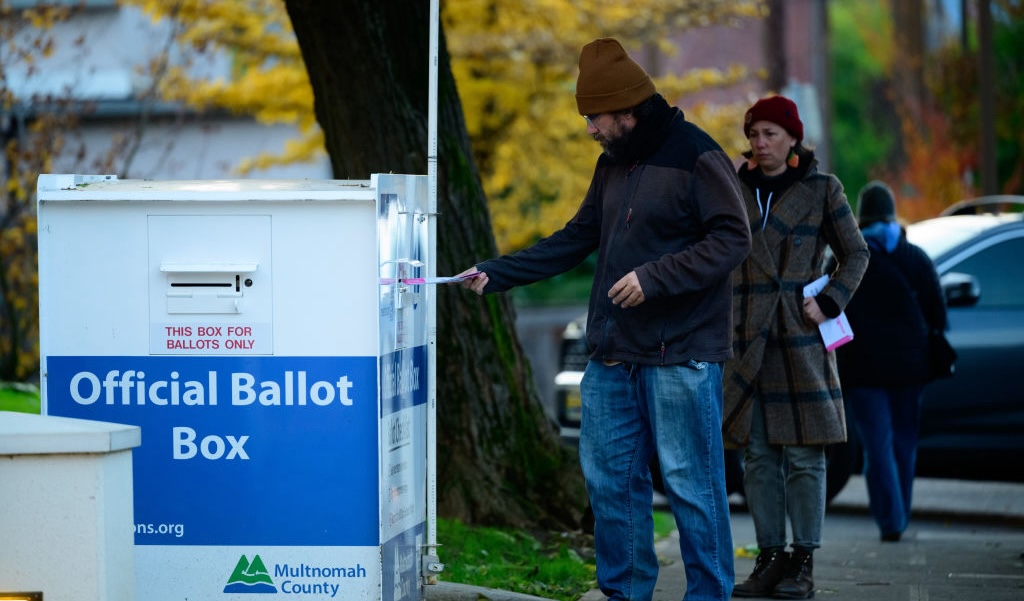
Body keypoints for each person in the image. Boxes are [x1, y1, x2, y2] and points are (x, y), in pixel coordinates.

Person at [460, 38, 751, 601]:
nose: (590, 128)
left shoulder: (698, 155)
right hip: (613, 358)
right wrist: (497, 273)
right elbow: (577, 237)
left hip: (681, 356)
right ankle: (624, 594)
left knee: (694, 489)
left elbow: (733, 239)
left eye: (594, 117)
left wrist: (654, 277)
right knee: (611, 488)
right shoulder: (612, 164)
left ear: (627, 109)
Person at [722, 95, 869, 599]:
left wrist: (829, 301)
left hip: (799, 338)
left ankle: (803, 560)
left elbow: (857, 253)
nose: (759, 144)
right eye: (754, 134)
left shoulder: (822, 189)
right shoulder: (733, 189)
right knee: (757, 457)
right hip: (745, 341)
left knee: (805, 457)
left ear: (792, 140)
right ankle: (770, 557)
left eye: (770, 134)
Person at [832, 181, 947, 543]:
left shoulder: (846, 259)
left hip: (863, 370)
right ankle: (901, 514)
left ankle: (891, 521)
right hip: (911, 370)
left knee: (877, 446)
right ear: (892, 215)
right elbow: (938, 314)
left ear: (860, 218)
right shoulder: (914, 258)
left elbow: (830, 308)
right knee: (904, 443)